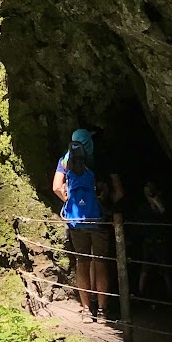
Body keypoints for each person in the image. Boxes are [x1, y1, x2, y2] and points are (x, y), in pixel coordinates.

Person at [53, 129, 114, 322]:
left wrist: (68, 201)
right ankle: (103, 310)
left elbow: (56, 186)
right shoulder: (99, 159)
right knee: (100, 262)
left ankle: (87, 310)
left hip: (76, 221)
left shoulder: (65, 160)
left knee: (82, 262)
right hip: (97, 219)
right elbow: (115, 191)